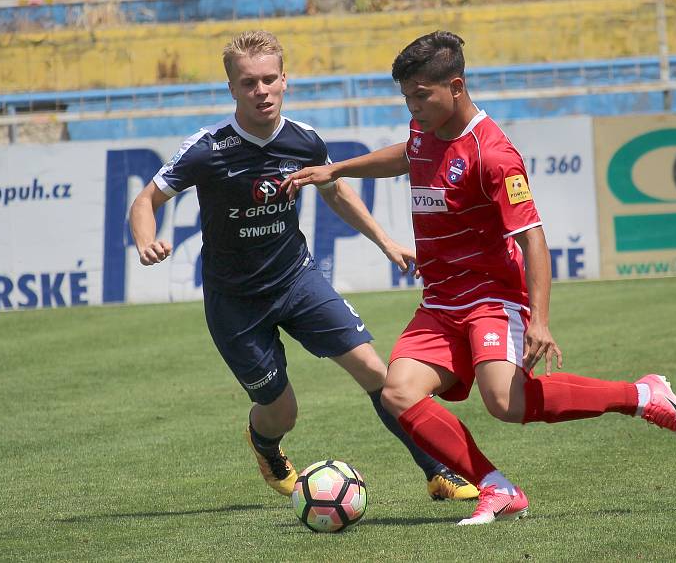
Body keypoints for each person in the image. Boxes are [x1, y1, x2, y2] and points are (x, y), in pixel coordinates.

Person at [284, 30, 676, 526]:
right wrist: (340, 169)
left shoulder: (494, 155)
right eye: (406, 96)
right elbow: (407, 154)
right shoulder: (424, 130)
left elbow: (533, 239)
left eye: (421, 95)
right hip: (439, 300)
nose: (412, 107)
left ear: (456, 87)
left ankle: (641, 396)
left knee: (505, 402)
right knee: (398, 393)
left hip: (491, 298)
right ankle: (496, 487)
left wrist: (540, 321)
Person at [128, 30, 478, 502]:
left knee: (378, 373)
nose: (261, 91)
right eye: (249, 82)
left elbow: (335, 190)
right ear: (232, 88)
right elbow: (146, 199)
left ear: (285, 80)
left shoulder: (304, 140)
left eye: (269, 79)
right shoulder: (207, 150)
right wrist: (146, 240)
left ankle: (438, 471)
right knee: (281, 412)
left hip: (297, 280)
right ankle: (265, 442)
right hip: (236, 303)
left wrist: (385, 241)